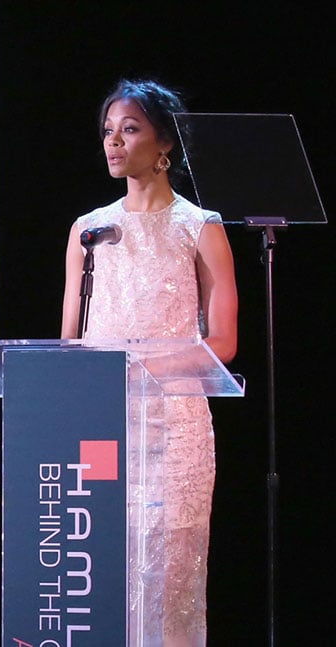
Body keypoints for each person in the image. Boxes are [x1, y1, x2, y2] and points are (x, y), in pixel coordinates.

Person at [60, 79, 239, 646]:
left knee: (171, 571)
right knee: (100, 561)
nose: (114, 141)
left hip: (175, 426)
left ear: (165, 142)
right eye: (108, 131)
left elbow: (223, 342)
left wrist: (147, 368)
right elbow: (68, 342)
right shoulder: (88, 230)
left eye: (130, 129)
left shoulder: (200, 226)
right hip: (102, 422)